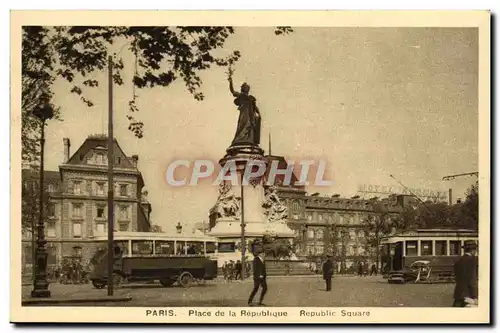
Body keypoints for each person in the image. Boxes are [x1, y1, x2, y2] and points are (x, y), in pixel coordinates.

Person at [453, 241, 478, 307]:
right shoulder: (473, 261)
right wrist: (475, 296)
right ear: (473, 250)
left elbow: (457, 278)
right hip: (469, 295)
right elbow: (473, 280)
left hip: (458, 294)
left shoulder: (458, 261)